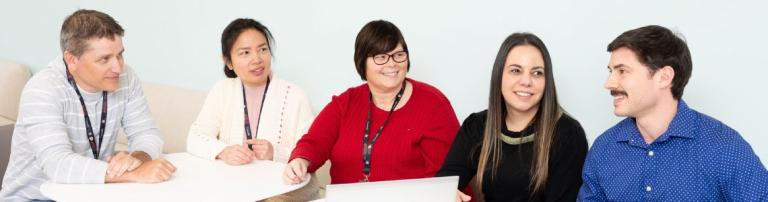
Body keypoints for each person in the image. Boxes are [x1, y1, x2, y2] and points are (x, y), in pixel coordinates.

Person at [0, 9, 176, 201]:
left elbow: (147, 133)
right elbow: (57, 165)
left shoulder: (126, 77)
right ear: (71, 60)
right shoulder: (43, 89)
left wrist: (137, 160)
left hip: (90, 192)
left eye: (120, 55)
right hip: (35, 197)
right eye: (104, 59)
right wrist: (133, 174)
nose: (118, 67)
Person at [578, 25, 768, 201]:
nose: (609, 83)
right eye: (611, 71)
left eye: (622, 71)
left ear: (664, 77)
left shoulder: (723, 147)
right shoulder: (604, 149)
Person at [283, 20, 460, 186]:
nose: (392, 64)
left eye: (398, 55)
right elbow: (314, 143)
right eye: (381, 57)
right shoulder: (346, 103)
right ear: (362, 62)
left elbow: (445, 179)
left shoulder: (434, 105)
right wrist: (300, 160)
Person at [436, 33, 588, 202]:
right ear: (499, 75)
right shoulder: (477, 126)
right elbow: (443, 187)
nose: (526, 81)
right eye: (516, 71)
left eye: (537, 73)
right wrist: (446, 195)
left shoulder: (568, 134)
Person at [185, 18, 318, 201]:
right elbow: (195, 136)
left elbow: (313, 152)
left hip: (281, 189)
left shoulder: (295, 95)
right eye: (245, 53)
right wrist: (223, 151)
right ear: (228, 62)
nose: (257, 59)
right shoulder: (222, 90)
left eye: (263, 49)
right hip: (235, 185)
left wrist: (275, 153)